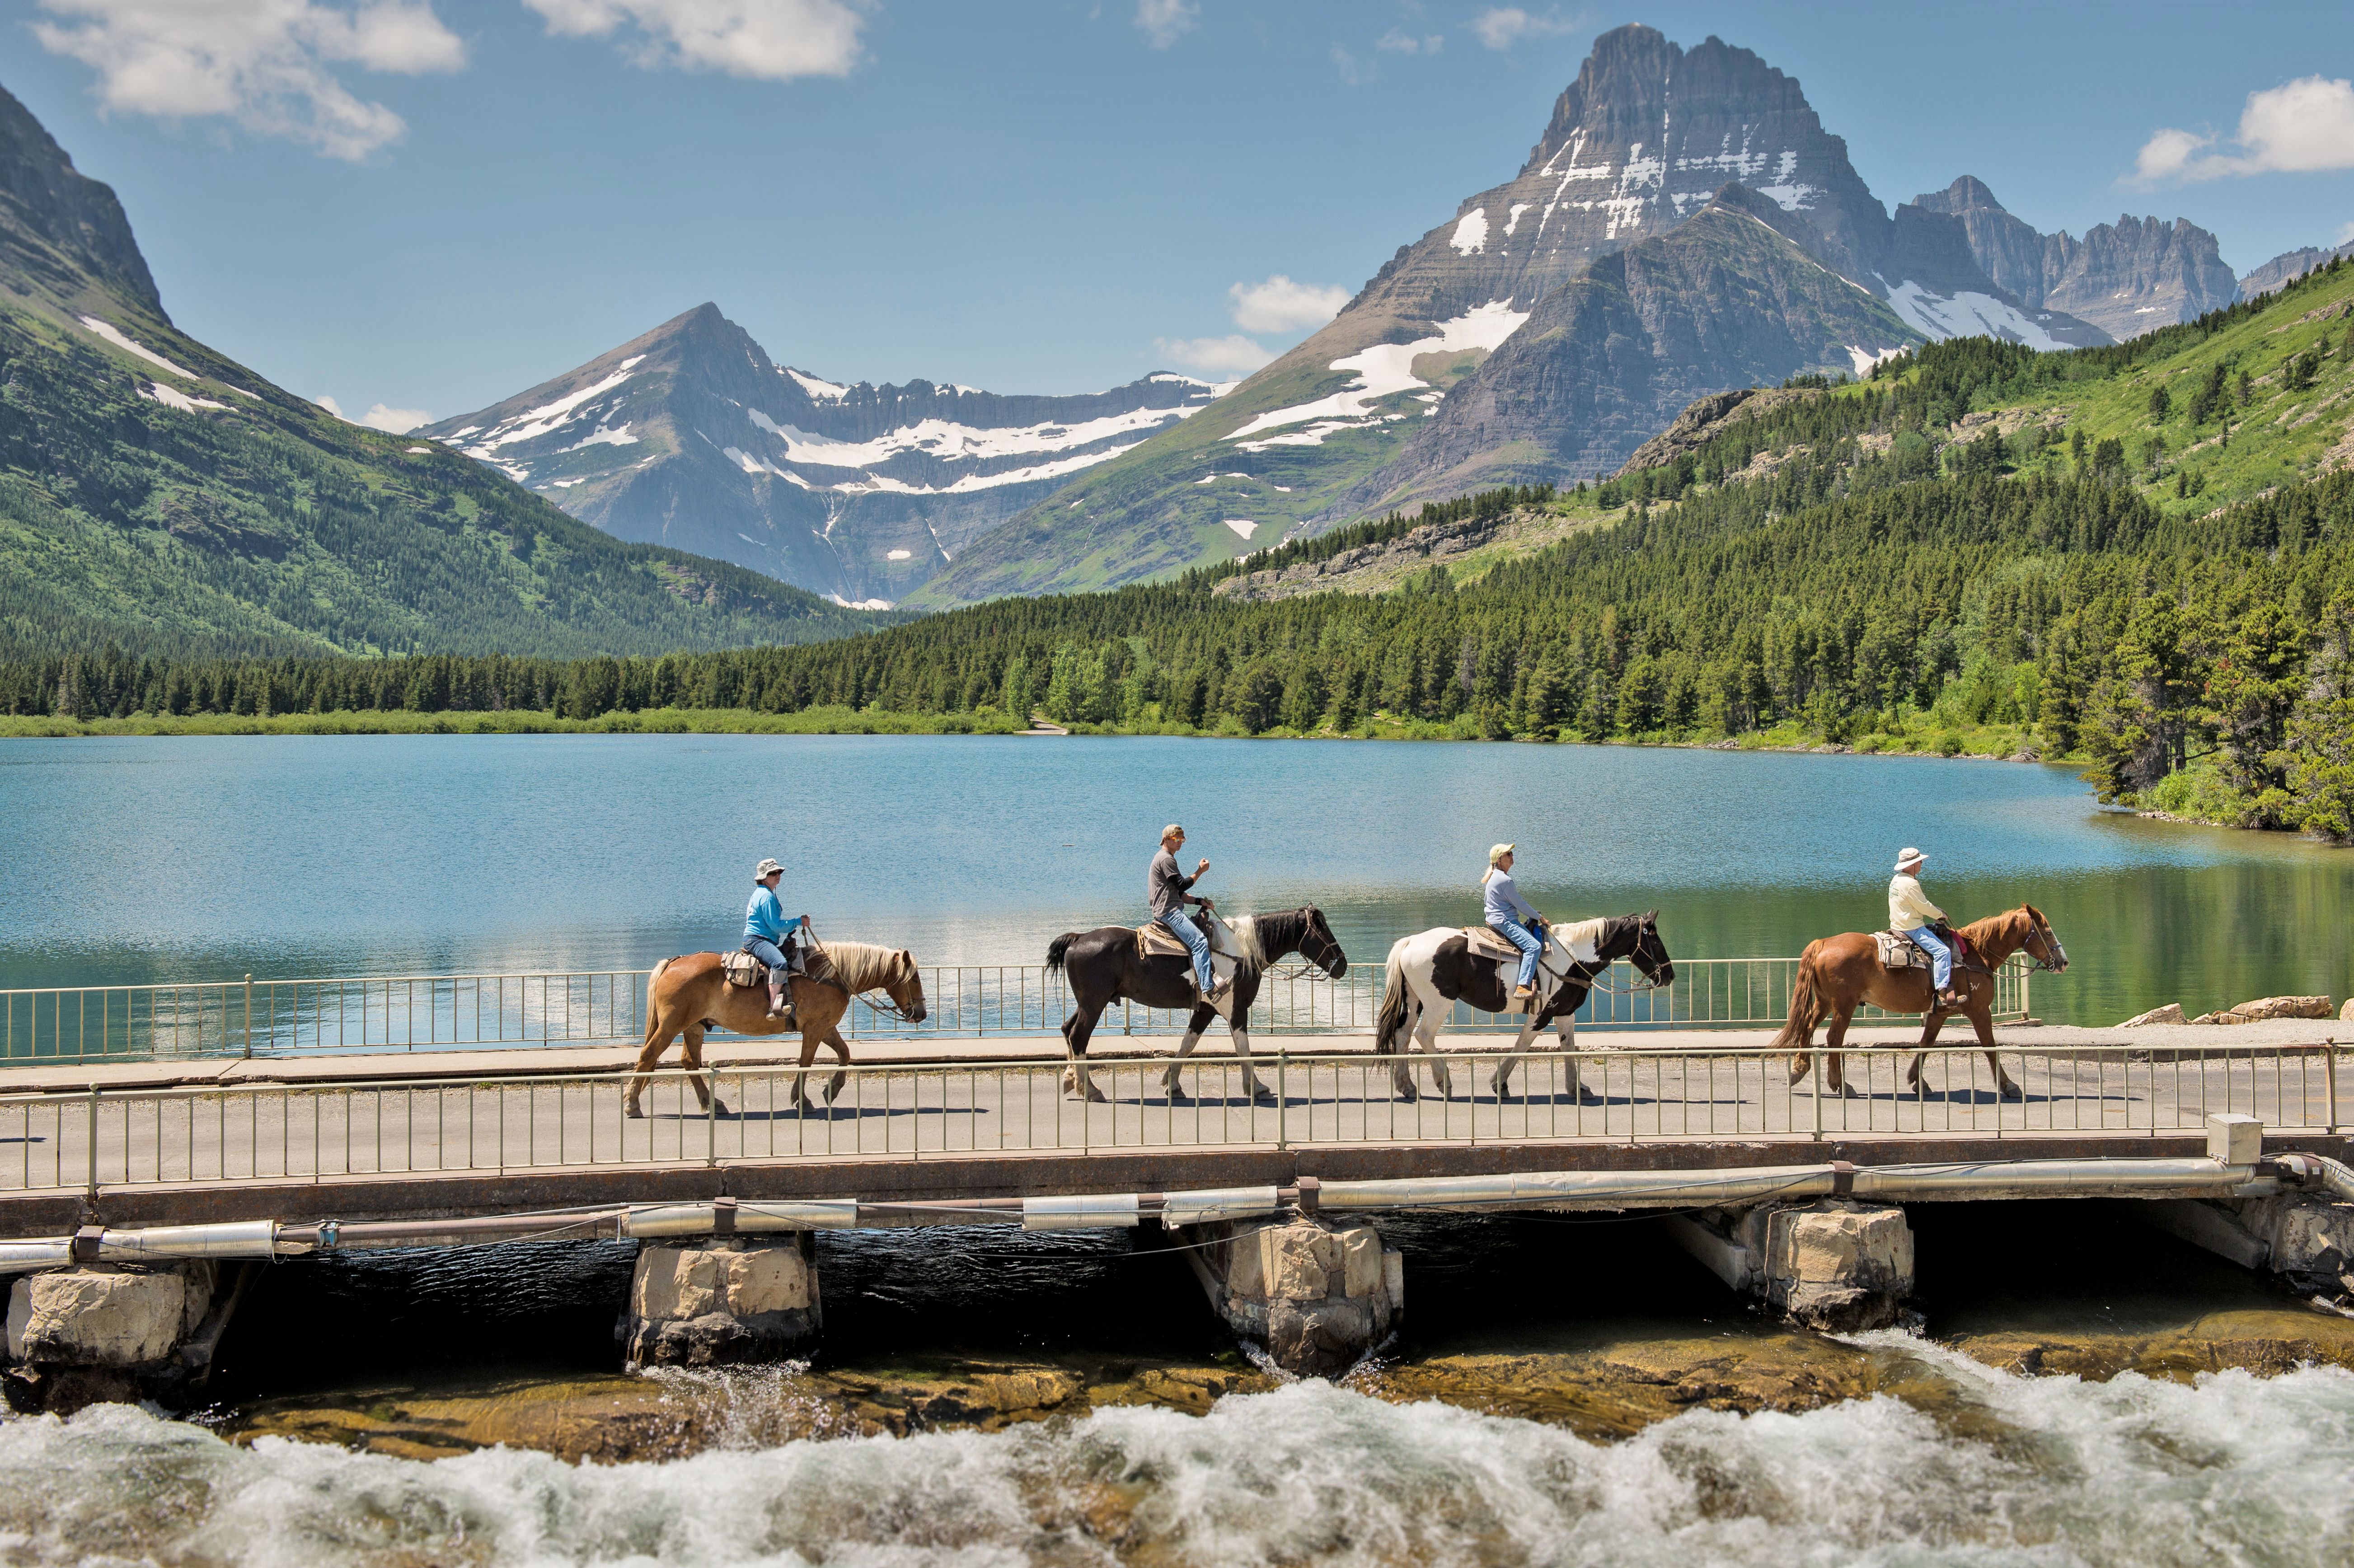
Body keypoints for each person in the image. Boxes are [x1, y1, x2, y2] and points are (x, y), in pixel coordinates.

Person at [1149, 824, 1229, 1005]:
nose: (1180, 843)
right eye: (1177, 840)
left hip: (1169, 907)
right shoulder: (1166, 859)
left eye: (1182, 840)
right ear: (1167, 839)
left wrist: (1200, 901)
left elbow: (1179, 894)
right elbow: (1183, 885)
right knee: (1200, 941)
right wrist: (1200, 871)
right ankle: (1208, 987)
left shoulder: (1165, 858)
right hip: (1169, 912)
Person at [1889, 847, 1965, 1009]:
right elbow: (1923, 906)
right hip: (1912, 929)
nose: (1922, 863)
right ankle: (1942, 993)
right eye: (1919, 861)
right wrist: (1940, 914)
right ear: (1912, 865)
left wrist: (1934, 910)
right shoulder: (1911, 883)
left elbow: (1916, 905)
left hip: (1897, 925)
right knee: (1943, 952)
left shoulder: (1896, 880)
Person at [1482, 843, 1548, 1009]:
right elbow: (1521, 904)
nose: (1512, 857)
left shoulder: (1495, 877)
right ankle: (1522, 986)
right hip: (1505, 921)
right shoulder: (1505, 881)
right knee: (1533, 947)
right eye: (1508, 854)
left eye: (1511, 853)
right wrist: (1540, 917)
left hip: (1497, 919)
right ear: (1499, 860)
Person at [743, 857, 807, 1020]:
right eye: (773, 873)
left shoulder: (763, 893)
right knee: (780, 963)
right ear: (764, 877)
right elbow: (776, 925)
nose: (778, 875)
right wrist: (797, 922)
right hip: (758, 940)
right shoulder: (766, 897)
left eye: (779, 872)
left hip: (758, 938)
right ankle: (774, 1008)